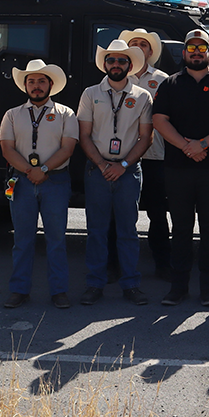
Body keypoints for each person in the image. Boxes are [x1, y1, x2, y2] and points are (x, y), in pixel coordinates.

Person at [152, 29, 209, 306]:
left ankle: (208, 291)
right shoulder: (169, 84)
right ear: (184, 53)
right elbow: (159, 119)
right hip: (177, 167)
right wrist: (185, 146)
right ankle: (178, 288)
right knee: (180, 229)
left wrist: (202, 144)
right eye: (190, 47)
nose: (195, 52)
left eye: (201, 48)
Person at [77, 39, 154, 305]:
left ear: (130, 65)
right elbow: (84, 134)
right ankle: (94, 284)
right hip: (97, 170)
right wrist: (101, 165)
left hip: (128, 170)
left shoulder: (143, 96)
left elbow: (146, 138)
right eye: (111, 60)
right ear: (105, 64)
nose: (116, 64)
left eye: (122, 60)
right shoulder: (90, 93)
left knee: (128, 231)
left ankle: (131, 285)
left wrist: (122, 166)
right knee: (96, 230)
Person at [0, 59, 79, 309]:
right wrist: (29, 171)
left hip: (55, 181)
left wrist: (43, 169)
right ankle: (19, 290)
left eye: (41, 81)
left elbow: (68, 148)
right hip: (21, 181)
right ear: (25, 86)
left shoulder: (66, 113)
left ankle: (59, 291)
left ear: (50, 85)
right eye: (31, 81)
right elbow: (6, 148)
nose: (36, 86)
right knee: (22, 240)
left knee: (56, 239)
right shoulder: (12, 115)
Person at [122, 28, 172, 280]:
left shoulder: (164, 80)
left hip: (155, 155)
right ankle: (116, 264)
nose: (139, 47)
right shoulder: (118, 76)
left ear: (151, 51)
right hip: (122, 158)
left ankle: (163, 263)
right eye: (134, 43)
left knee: (157, 213)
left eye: (144, 44)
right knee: (120, 214)